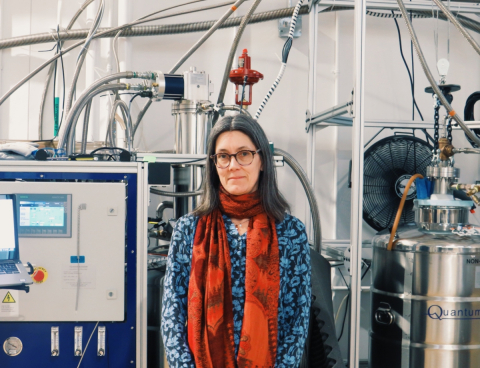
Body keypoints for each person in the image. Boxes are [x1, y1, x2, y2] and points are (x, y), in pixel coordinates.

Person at [161, 114, 311, 368]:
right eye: (223, 156)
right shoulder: (189, 229)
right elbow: (172, 311)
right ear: (214, 164)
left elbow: (297, 318)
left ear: (262, 160)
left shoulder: (291, 232)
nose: (233, 165)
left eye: (244, 154)